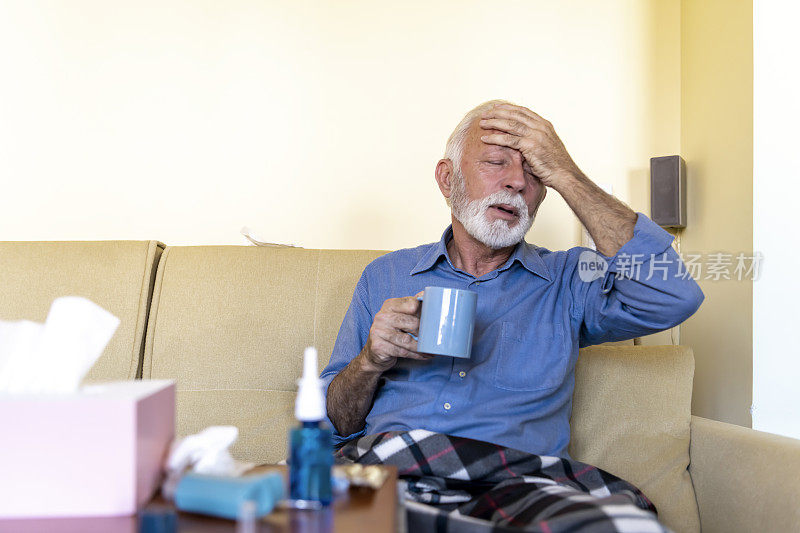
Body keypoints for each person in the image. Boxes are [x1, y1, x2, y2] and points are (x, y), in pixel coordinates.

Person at [321, 100, 704, 459]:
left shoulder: (568, 279)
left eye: (537, 172)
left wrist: (566, 173)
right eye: (495, 162)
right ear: (448, 179)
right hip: (394, 470)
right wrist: (369, 363)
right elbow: (334, 425)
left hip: (518, 482)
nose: (518, 182)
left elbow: (673, 296)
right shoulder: (384, 276)